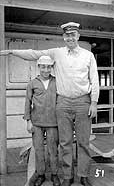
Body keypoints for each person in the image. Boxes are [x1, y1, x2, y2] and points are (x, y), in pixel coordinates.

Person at [1, 22, 99, 186]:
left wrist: (94, 102)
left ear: (78, 36)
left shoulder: (88, 55)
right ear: (63, 37)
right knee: (65, 142)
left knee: (83, 141)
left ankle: (83, 175)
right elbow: (33, 53)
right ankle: (67, 176)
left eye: (73, 35)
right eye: (67, 35)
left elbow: (94, 80)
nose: (70, 38)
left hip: (83, 102)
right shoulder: (56, 53)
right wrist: (12, 51)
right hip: (62, 103)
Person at [24, 55, 60, 186]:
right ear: (38, 67)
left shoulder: (57, 82)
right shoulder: (32, 83)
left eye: (49, 67)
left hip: (53, 122)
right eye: (43, 66)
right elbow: (27, 102)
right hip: (37, 123)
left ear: (52, 68)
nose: (46, 69)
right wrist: (28, 121)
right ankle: (40, 175)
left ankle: (55, 174)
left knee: (53, 150)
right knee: (38, 150)